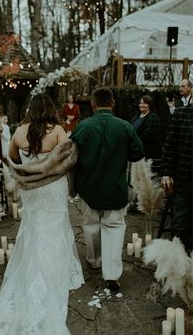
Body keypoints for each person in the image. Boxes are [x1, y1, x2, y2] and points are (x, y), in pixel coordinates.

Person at [0, 93, 84, 335]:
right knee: (55, 223)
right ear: (51, 108)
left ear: (31, 108)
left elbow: (10, 157)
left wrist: (28, 166)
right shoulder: (59, 131)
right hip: (53, 187)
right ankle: (54, 269)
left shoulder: (20, 131)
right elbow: (68, 159)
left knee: (33, 224)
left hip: (31, 189)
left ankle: (32, 264)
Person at [70, 87, 144, 291]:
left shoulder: (81, 127)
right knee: (114, 227)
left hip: (88, 187)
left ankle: (94, 260)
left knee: (91, 225)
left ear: (93, 104)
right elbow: (138, 153)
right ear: (112, 103)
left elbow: (71, 158)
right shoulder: (126, 127)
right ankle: (111, 274)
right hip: (115, 187)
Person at [161, 99, 193, 254]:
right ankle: (177, 264)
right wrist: (166, 173)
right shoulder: (181, 114)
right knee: (179, 225)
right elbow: (169, 146)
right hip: (183, 179)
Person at [131, 95, 162, 159]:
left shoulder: (153, 117)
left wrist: (133, 140)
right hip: (136, 149)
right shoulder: (137, 115)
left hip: (147, 151)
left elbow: (147, 135)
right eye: (140, 103)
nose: (141, 105)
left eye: (144, 103)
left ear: (150, 105)